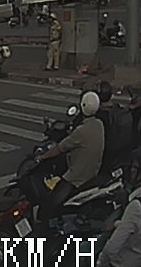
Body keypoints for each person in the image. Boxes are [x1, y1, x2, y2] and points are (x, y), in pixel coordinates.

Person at [37, 91, 105, 224]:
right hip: (93, 172)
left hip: (77, 178)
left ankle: (44, 227)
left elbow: (59, 148)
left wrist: (42, 157)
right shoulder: (99, 124)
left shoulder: (81, 131)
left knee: (52, 203)